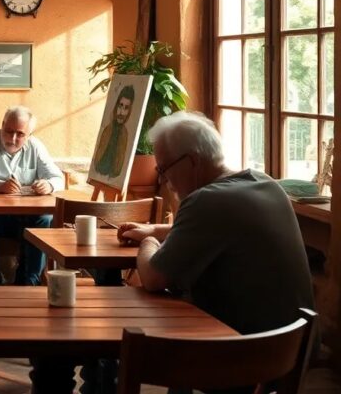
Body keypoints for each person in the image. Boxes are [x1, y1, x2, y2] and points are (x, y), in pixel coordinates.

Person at [123, 111, 313, 336]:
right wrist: (156, 229)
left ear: (192, 161)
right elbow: (220, 231)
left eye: (163, 169)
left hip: (245, 349)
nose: (162, 180)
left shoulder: (205, 201)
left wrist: (149, 241)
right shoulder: (265, 183)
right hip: (293, 345)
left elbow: (153, 278)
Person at [0, 106, 65, 286]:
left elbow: (58, 178)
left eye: (20, 134)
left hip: (19, 214)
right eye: (9, 131)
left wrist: (48, 185)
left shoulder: (36, 147)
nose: (13, 138)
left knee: (44, 219)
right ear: (2, 125)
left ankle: (28, 283)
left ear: (29, 134)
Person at [94, 85, 135, 178]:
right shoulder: (107, 130)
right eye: (120, 106)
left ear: (129, 111)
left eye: (126, 108)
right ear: (116, 106)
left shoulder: (125, 134)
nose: (121, 112)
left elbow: (118, 167)